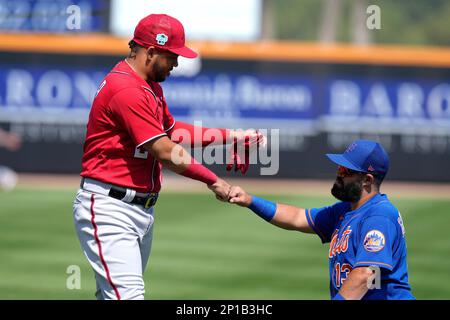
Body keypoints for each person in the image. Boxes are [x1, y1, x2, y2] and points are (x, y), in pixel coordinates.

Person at [73, 13, 264, 300]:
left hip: (138, 209)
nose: (176, 63)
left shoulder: (149, 87)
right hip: (110, 208)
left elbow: (173, 132)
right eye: (172, 56)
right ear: (151, 52)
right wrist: (213, 181)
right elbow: (164, 151)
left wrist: (232, 136)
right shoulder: (126, 89)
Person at [228, 140, 415, 300]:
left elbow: (366, 273)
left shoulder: (379, 216)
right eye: (340, 167)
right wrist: (249, 200)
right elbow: (297, 217)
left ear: (367, 180)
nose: (338, 174)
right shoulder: (345, 210)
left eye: (346, 170)